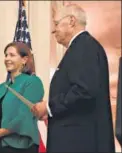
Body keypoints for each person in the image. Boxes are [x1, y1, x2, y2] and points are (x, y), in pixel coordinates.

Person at [31, 4, 115, 152]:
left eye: (56, 24)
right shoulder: (81, 47)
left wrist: (50, 107)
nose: (53, 30)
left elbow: (84, 91)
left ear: (71, 21)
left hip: (78, 142)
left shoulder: (84, 47)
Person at [0, 42, 44, 153]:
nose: (7, 58)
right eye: (6, 55)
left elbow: (22, 118)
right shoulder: (1, 87)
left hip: (21, 146)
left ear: (24, 59)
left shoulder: (33, 82)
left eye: (12, 55)